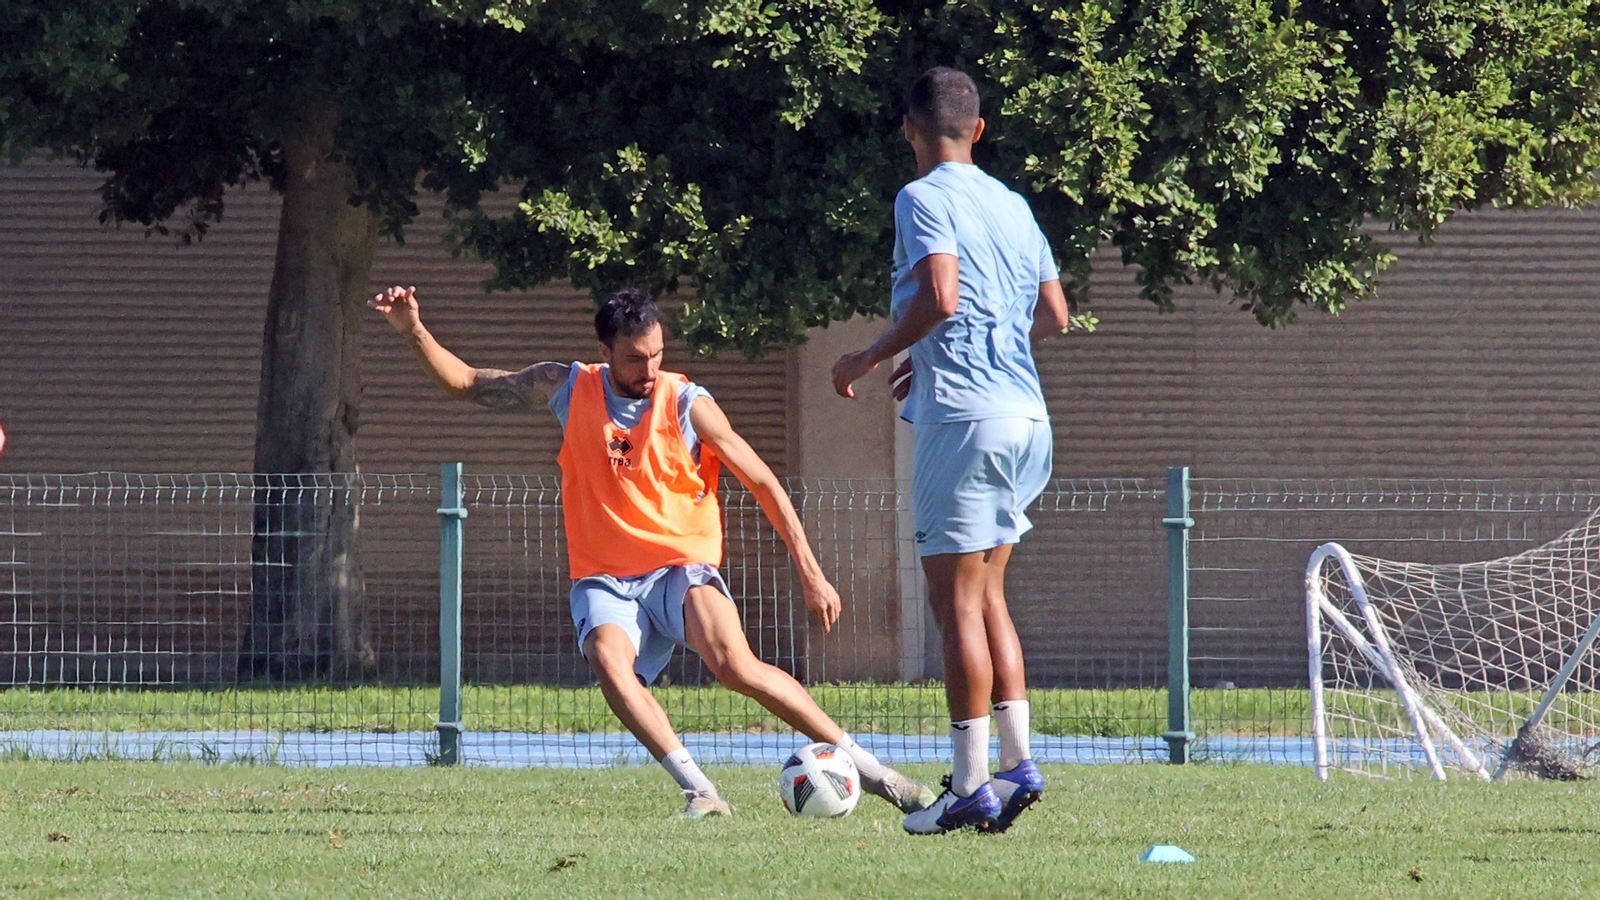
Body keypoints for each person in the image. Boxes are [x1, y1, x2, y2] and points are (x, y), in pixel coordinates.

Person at [372, 285, 934, 819]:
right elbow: (467, 382)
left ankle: (876, 774)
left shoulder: (688, 402)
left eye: (657, 355)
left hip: (680, 567)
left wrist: (812, 573)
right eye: (636, 359)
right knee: (609, 663)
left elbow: (763, 481)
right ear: (604, 351)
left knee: (736, 666)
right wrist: (413, 330)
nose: (649, 370)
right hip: (606, 578)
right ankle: (702, 791)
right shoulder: (567, 385)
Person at [832, 67, 1071, 835]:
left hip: (965, 423)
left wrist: (867, 357)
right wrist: (959, 349)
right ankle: (1017, 763)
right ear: (980, 129)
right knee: (990, 592)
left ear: (909, 129)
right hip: (1027, 417)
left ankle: (968, 786)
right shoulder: (1012, 202)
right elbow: (1055, 313)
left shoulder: (921, 196)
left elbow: (940, 295)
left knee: (956, 602)